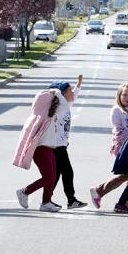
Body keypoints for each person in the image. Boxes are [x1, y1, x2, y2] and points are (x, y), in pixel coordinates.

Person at [91, 84, 128, 210]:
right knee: (127, 174)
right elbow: (117, 129)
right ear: (119, 95)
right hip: (123, 146)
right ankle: (99, 191)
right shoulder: (116, 110)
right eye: (125, 94)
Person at [14, 88, 65, 212]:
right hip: (42, 150)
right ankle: (24, 192)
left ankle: (46, 202)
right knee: (48, 177)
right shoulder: (47, 116)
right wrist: (57, 92)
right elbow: (64, 105)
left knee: (51, 177)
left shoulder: (39, 115)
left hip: (48, 148)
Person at [47, 78, 86, 209]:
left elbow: (74, 96)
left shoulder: (66, 105)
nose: (73, 94)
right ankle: (69, 199)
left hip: (61, 145)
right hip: (56, 146)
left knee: (57, 174)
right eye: (70, 91)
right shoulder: (58, 109)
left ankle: (48, 199)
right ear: (63, 95)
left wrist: (78, 85)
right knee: (67, 172)